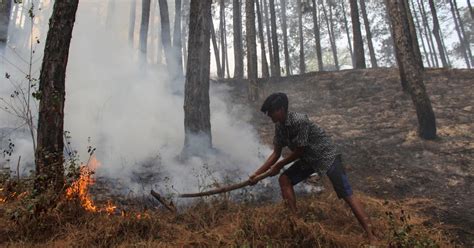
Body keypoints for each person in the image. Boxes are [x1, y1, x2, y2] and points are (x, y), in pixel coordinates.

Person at [249, 92, 376, 241]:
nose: (269, 115)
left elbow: (299, 150)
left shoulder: (300, 121)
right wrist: (256, 175)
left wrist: (279, 165)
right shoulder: (280, 127)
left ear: (281, 109)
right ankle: (295, 224)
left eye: (271, 112)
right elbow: (276, 154)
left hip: (326, 155)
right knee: (284, 180)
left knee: (346, 193)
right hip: (308, 160)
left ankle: (371, 234)